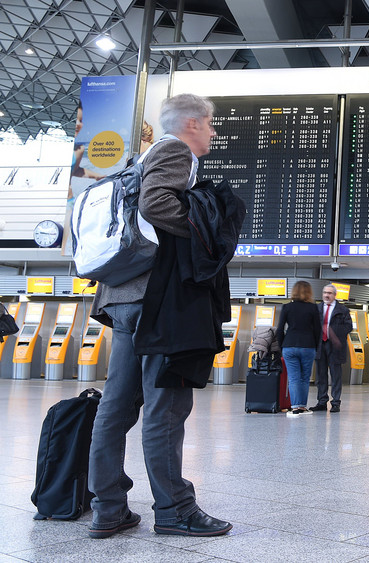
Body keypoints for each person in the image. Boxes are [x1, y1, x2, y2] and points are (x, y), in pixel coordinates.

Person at [87, 93, 232, 539]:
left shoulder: (139, 156)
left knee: (116, 406)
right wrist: (202, 233)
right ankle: (174, 509)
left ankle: (108, 508)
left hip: (123, 298)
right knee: (166, 406)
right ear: (191, 123)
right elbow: (154, 203)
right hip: (156, 302)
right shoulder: (175, 150)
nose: (212, 132)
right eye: (209, 125)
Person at [277, 281, 322, 417]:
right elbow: (318, 330)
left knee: (293, 377)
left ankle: (295, 407)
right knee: (304, 377)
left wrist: (281, 347)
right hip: (308, 346)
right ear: (309, 292)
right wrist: (315, 346)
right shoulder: (313, 308)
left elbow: (280, 330)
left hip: (289, 346)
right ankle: (302, 407)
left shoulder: (287, 307)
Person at [311, 284, 351, 413]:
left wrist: (332, 331)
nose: (326, 295)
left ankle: (335, 403)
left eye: (329, 293)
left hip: (335, 346)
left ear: (335, 295)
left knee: (336, 375)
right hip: (320, 345)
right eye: (324, 293)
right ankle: (322, 402)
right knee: (321, 375)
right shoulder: (316, 309)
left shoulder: (343, 310)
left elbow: (348, 327)